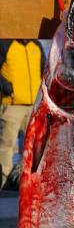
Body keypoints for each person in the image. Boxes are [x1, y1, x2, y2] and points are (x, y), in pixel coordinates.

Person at [0, 39, 44, 184]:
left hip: (34, 106)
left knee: (36, 146)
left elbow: (45, 70)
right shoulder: (5, 43)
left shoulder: (36, 45)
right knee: (6, 146)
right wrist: (8, 90)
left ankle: (31, 184)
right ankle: (2, 183)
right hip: (12, 105)